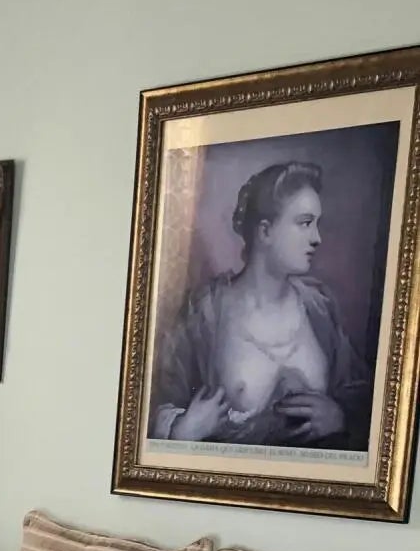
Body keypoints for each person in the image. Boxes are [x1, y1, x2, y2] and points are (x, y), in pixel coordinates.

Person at [149, 159, 370, 449]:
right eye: (305, 223)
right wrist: (184, 430)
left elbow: (362, 397)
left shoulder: (319, 305)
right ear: (265, 231)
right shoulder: (205, 312)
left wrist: (340, 417)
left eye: (317, 225)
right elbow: (155, 403)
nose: (317, 238)